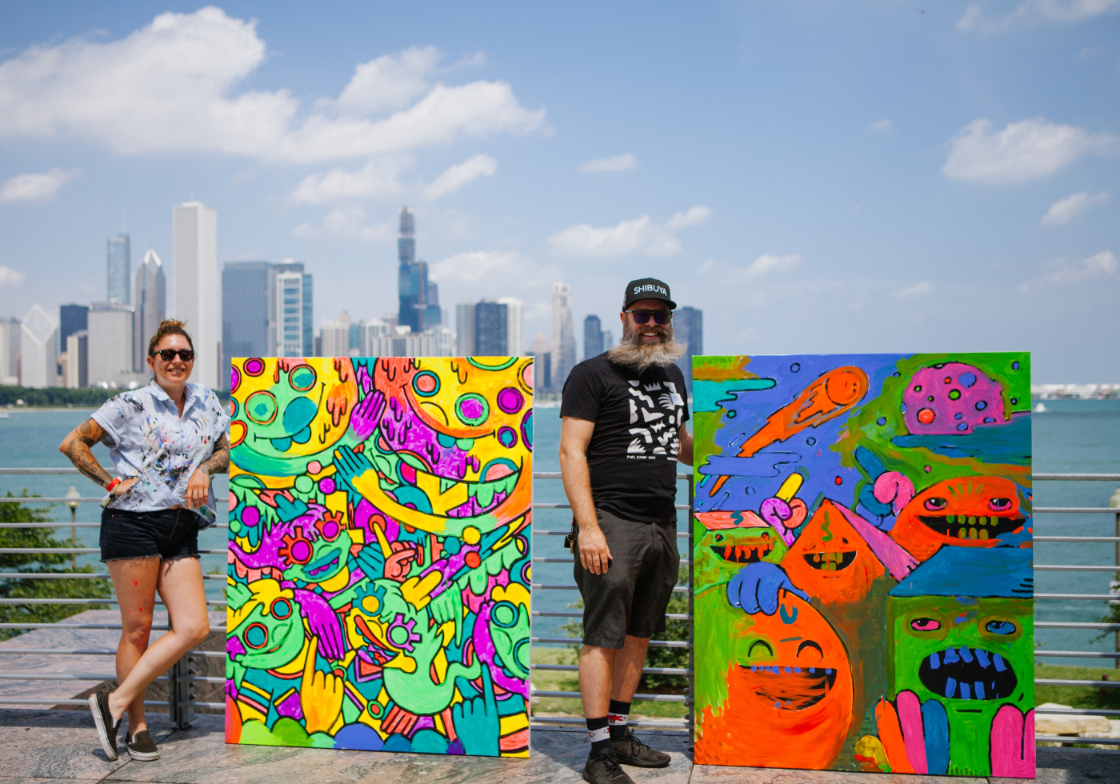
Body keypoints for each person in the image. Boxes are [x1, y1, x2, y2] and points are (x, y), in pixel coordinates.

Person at [59, 320, 229, 762]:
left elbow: (224, 449)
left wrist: (205, 469)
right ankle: (135, 727)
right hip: (132, 523)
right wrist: (108, 480)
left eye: (184, 355)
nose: (176, 361)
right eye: (167, 354)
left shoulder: (208, 402)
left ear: (192, 360)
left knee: (195, 626)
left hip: (181, 525)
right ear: (151, 360)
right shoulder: (129, 404)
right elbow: (73, 442)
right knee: (137, 630)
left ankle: (110, 702)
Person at [559, 278, 693, 784]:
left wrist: (739, 454)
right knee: (603, 636)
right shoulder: (591, 374)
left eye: (661, 316)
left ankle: (619, 733)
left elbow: (680, 445)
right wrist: (589, 528)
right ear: (624, 319)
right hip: (612, 521)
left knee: (638, 633)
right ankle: (597, 753)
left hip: (663, 519)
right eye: (643, 315)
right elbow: (571, 451)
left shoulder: (673, 376)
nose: (653, 325)